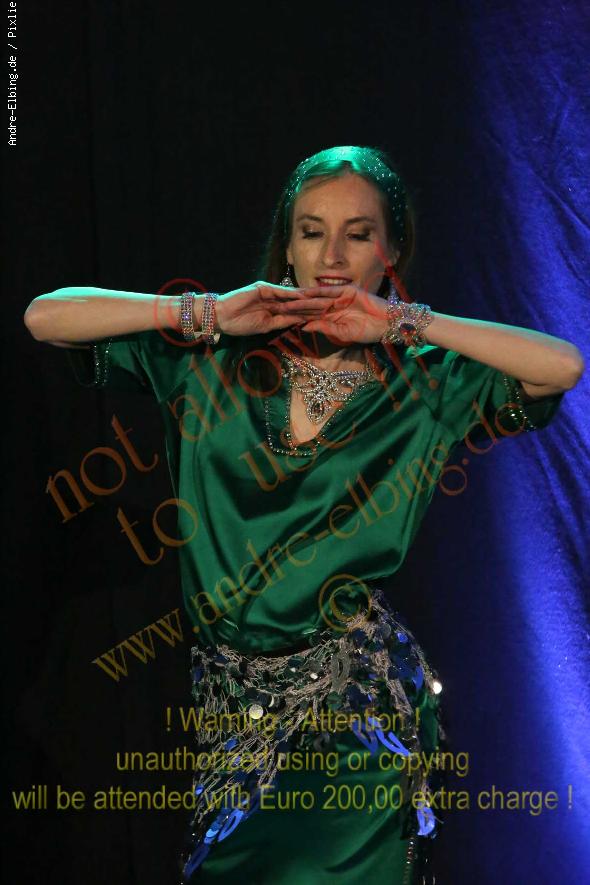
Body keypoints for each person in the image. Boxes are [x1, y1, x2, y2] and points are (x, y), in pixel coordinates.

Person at [24, 145, 584, 884]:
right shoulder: (207, 357)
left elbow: (561, 365)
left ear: (391, 251)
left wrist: (405, 323)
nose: (332, 257)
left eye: (359, 233)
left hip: (357, 719)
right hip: (236, 717)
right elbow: (47, 317)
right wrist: (206, 312)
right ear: (286, 247)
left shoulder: (426, 384)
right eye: (311, 231)